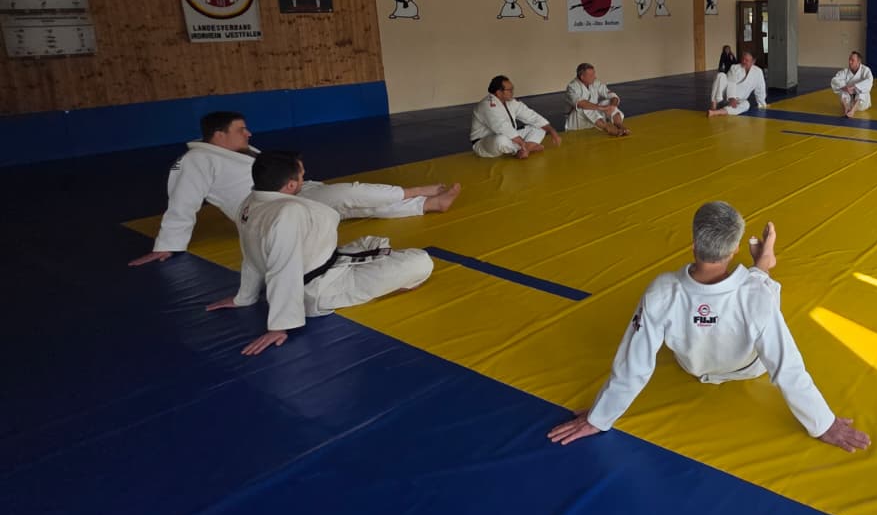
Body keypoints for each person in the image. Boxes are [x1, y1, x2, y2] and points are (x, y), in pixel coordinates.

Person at [546, 202, 871, 453]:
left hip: (694, 364)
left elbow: (634, 364)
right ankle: (763, 265)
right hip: (748, 367)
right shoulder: (755, 297)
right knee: (761, 287)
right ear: (733, 250)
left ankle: (762, 265)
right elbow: (787, 367)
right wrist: (823, 424)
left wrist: (600, 416)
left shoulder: (662, 290)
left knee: (754, 289)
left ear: (693, 244)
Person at [129, 111, 459, 267]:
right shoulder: (195, 161)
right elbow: (182, 202)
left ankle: (426, 205)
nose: (249, 134)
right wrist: (168, 244)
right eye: (241, 129)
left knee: (349, 202)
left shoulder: (242, 151)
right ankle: (415, 192)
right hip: (272, 209)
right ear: (219, 135)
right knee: (348, 194)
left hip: (293, 192)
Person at [204, 151, 434, 355]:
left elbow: (251, 254)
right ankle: (390, 285)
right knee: (421, 262)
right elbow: (283, 268)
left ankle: (381, 276)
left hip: (323, 265)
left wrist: (244, 296)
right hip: (322, 289)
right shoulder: (288, 213)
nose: (305, 178)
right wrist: (278, 326)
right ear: (290, 185)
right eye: (301, 176)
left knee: (372, 242)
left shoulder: (250, 202)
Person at [471, 75, 561, 158]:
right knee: (501, 140)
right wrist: (522, 143)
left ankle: (525, 150)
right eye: (509, 90)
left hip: (510, 136)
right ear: (499, 92)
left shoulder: (511, 102)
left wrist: (552, 131)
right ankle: (526, 148)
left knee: (539, 128)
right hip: (484, 143)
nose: (512, 92)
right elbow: (502, 126)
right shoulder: (487, 105)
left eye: (512, 89)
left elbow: (531, 116)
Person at [565, 63, 628, 137]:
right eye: (591, 75)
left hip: (596, 121)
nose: (595, 77)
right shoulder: (572, 87)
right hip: (577, 124)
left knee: (608, 102)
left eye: (594, 74)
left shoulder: (596, 83)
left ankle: (619, 125)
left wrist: (612, 106)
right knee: (585, 107)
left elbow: (612, 95)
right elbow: (581, 103)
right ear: (582, 77)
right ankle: (608, 128)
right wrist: (602, 108)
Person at [708, 51, 767, 117]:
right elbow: (731, 83)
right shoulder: (735, 68)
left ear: (753, 61)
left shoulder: (758, 72)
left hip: (739, 99)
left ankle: (718, 112)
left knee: (746, 104)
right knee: (720, 75)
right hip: (725, 94)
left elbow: (760, 88)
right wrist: (731, 97)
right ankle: (713, 106)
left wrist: (762, 103)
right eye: (742, 59)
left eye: (746, 60)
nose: (743, 61)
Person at [830, 51, 874, 117]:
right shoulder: (845, 71)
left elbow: (869, 82)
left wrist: (854, 87)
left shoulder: (865, 70)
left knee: (862, 90)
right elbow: (834, 80)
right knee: (842, 90)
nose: (850, 62)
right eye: (849, 59)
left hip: (861, 104)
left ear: (859, 61)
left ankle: (852, 111)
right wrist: (845, 87)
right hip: (849, 102)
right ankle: (846, 109)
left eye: (852, 60)